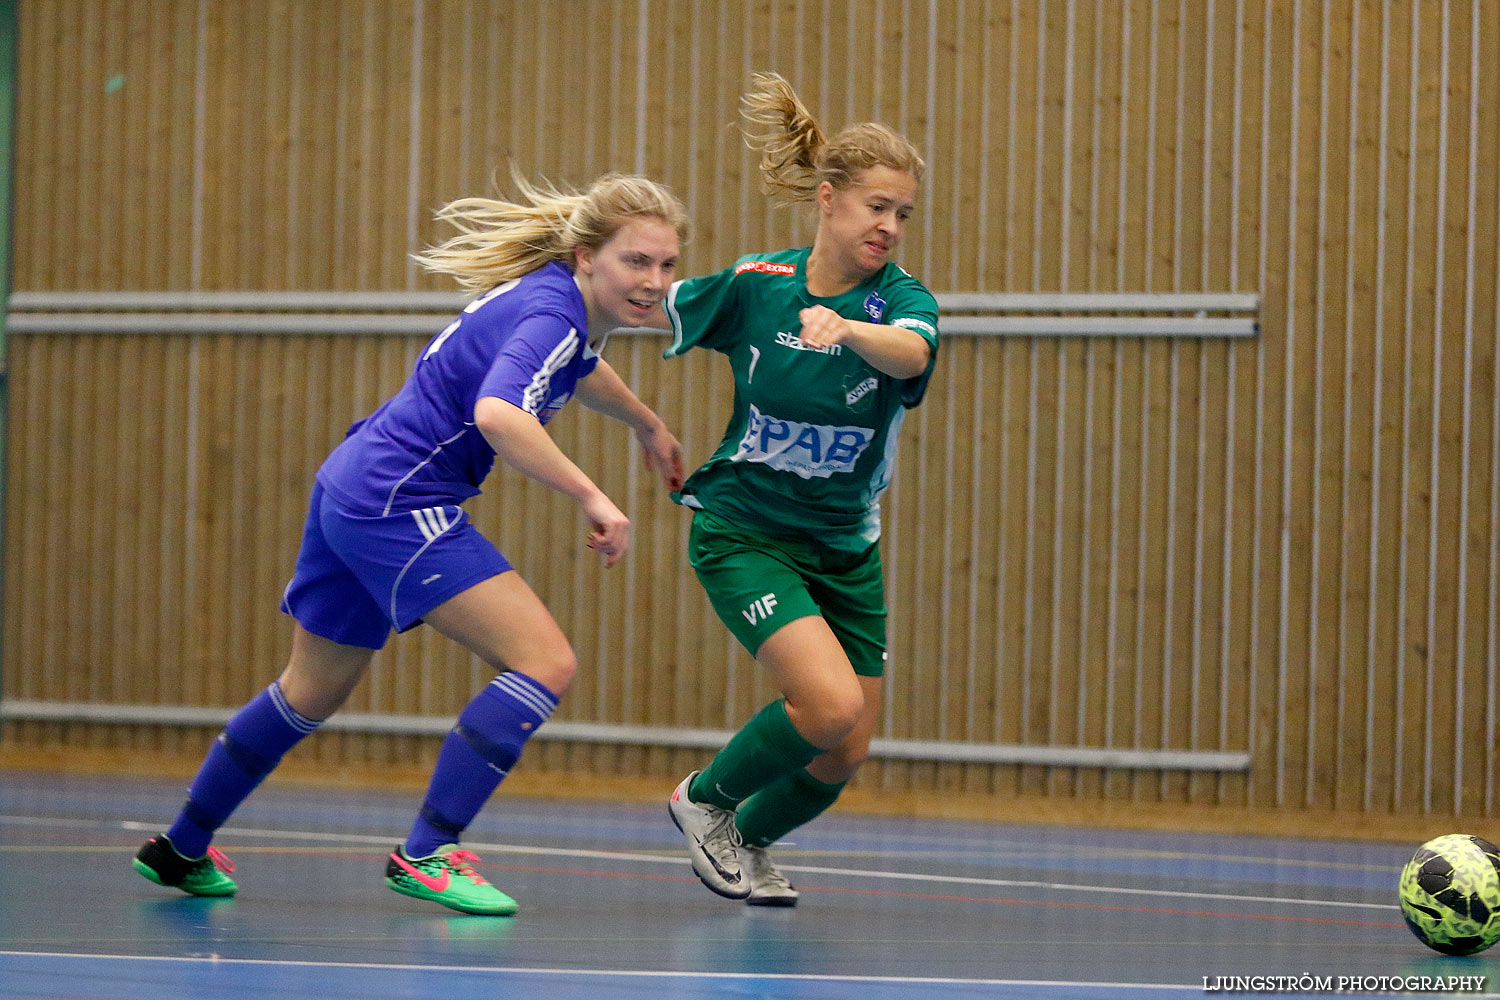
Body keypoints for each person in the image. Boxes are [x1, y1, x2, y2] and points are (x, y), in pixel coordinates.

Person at [132, 171, 688, 916]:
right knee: (545, 661)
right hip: (398, 501)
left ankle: (180, 846)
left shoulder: (554, 301)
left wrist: (646, 423)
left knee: (308, 693)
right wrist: (592, 494)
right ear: (588, 256)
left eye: (667, 265)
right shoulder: (554, 317)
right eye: (637, 263)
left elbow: (579, 368)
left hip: (352, 486)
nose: (654, 282)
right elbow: (498, 413)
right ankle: (426, 852)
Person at [660, 73, 938, 906]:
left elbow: (913, 355)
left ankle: (746, 838)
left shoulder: (901, 302)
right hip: (746, 532)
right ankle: (703, 801)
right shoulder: (759, 284)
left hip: (845, 547)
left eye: (903, 214)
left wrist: (850, 328)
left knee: (844, 750)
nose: (889, 226)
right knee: (825, 705)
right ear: (828, 202)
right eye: (876, 207)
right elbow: (649, 303)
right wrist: (555, 301)